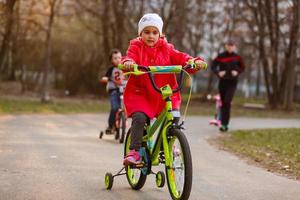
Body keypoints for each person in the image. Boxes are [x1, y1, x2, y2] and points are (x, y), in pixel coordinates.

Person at [120, 13, 207, 166]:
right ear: (140, 34)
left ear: (160, 34)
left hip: (165, 93)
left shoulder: (167, 49)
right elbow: (129, 58)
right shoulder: (136, 47)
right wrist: (128, 63)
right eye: (146, 32)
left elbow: (182, 57)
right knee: (139, 118)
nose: (151, 36)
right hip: (142, 93)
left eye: (154, 32)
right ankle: (135, 151)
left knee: (173, 117)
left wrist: (194, 62)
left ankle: (168, 145)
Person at [211, 40, 245, 132]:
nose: (230, 47)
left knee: (227, 102)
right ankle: (222, 122)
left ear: (234, 47)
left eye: (232, 45)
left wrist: (237, 71)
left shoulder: (237, 57)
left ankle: (225, 124)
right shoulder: (220, 56)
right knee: (223, 103)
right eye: (228, 45)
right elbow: (213, 66)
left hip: (232, 83)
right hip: (222, 82)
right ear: (226, 46)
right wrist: (218, 72)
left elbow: (243, 68)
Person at [100, 49, 123, 134]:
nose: (118, 60)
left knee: (125, 108)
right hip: (114, 90)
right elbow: (105, 78)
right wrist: (106, 79)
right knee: (115, 108)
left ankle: (123, 121)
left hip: (123, 90)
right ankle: (110, 126)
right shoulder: (111, 69)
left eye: (120, 57)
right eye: (115, 58)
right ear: (111, 60)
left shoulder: (125, 68)